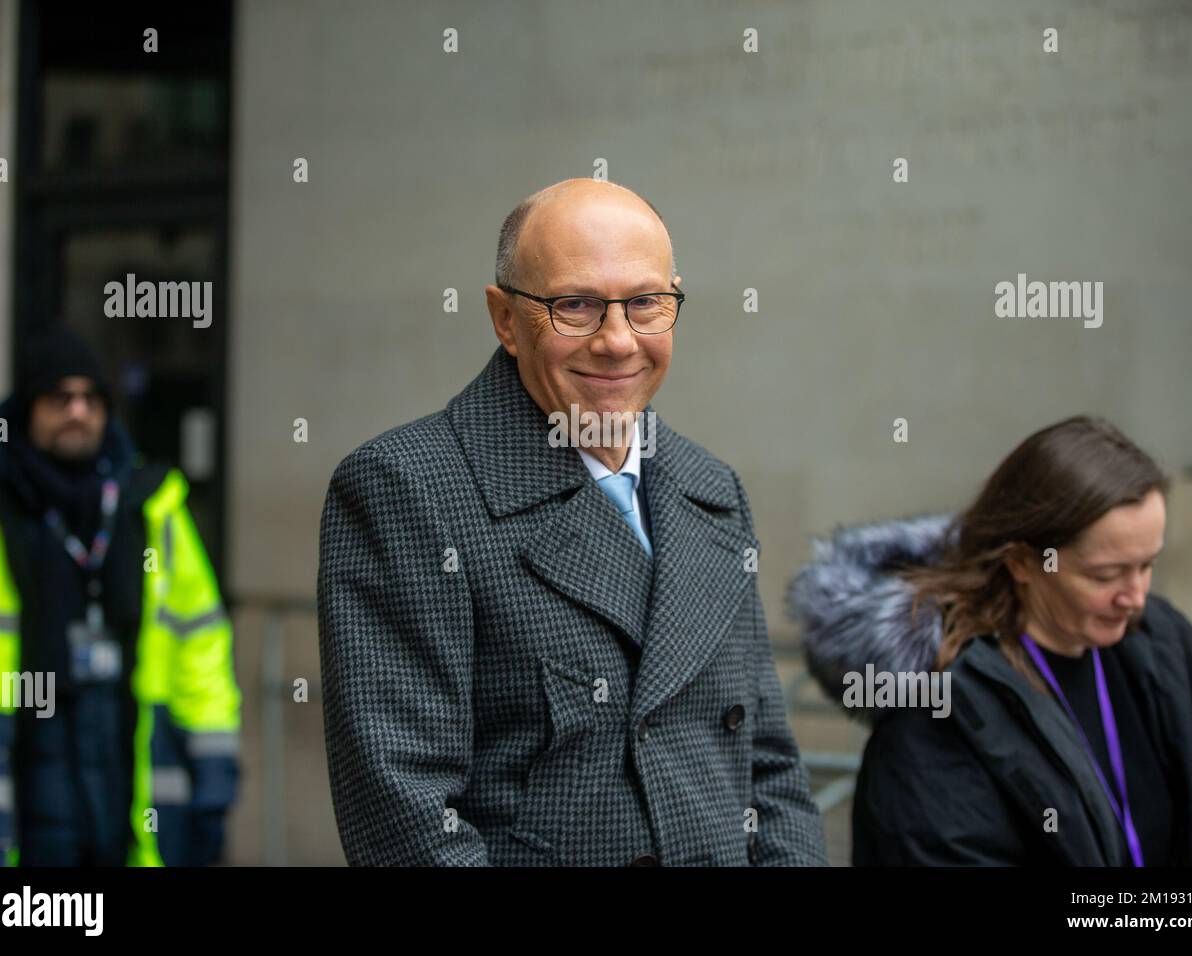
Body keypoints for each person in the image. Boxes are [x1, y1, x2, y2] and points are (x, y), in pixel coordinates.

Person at [318, 178, 825, 866]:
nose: (617, 341)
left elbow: (770, 774)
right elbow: (405, 822)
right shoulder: (406, 490)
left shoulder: (713, 489)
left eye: (645, 303)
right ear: (504, 319)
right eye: (575, 306)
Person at [788, 416, 1192, 865]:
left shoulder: (1168, 649)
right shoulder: (936, 708)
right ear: (1021, 563)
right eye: (1105, 574)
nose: (1135, 597)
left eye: (1147, 564)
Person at [0, 328, 241, 866]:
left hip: (125, 769)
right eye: (59, 398)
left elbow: (202, 648)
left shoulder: (149, 507)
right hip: (16, 773)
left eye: (91, 398)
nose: (78, 412)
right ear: (25, 409)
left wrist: (215, 776)